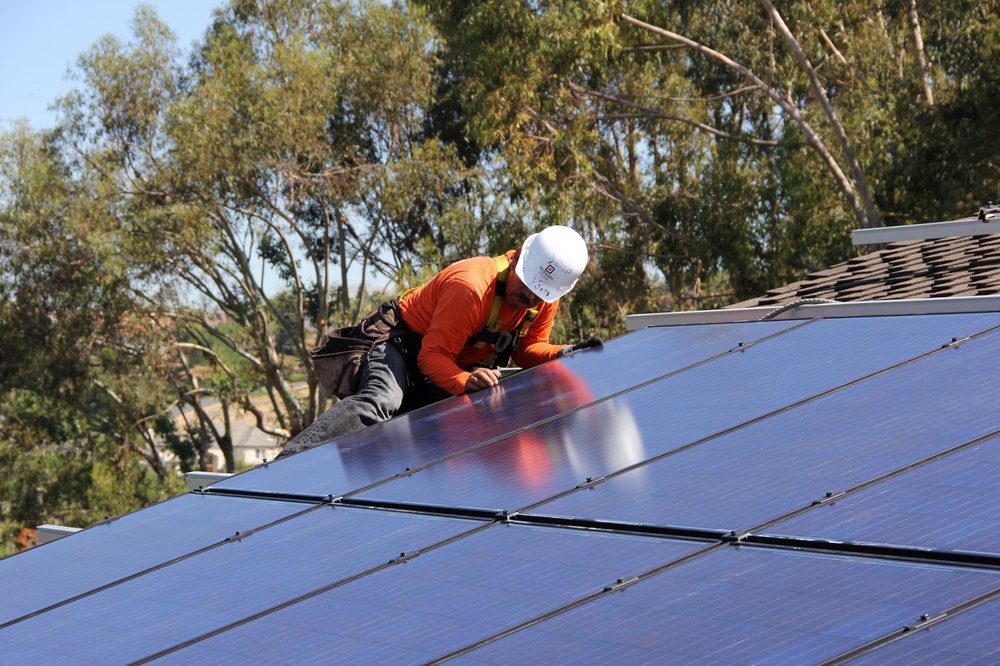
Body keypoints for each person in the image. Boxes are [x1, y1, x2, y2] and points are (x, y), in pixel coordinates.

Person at [278, 224, 595, 457]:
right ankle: (290, 461)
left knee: (444, 432)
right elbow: (431, 356)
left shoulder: (542, 298)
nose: (528, 297)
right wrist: (465, 380)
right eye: (526, 285)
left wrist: (562, 353)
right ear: (516, 261)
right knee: (381, 401)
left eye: (538, 293)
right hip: (402, 344)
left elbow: (527, 352)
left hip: (451, 366)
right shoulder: (471, 286)